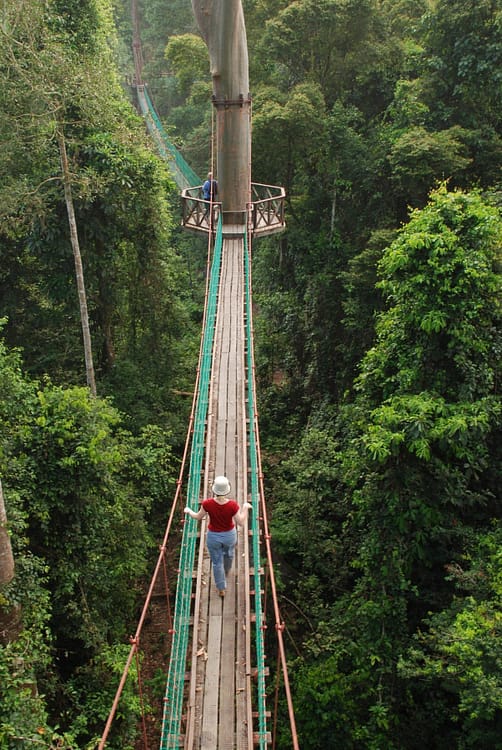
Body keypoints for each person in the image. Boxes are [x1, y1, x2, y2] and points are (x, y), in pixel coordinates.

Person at [184, 476, 251, 597]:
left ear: (214, 489)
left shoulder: (207, 504)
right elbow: (241, 522)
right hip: (229, 535)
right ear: (227, 490)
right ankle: (226, 569)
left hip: (213, 537)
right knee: (229, 553)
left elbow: (198, 517)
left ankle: (221, 588)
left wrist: (189, 511)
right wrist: (245, 507)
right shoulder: (233, 505)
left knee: (216, 562)